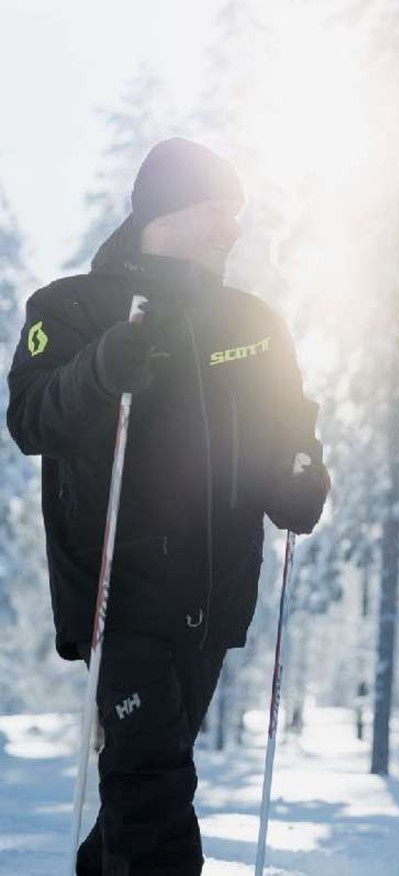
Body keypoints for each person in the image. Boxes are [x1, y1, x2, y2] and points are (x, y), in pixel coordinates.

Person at [6, 138, 331, 874]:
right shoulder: (70, 307)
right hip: (116, 596)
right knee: (154, 794)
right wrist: (99, 369)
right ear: (168, 210)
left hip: (215, 597)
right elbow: (29, 417)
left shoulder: (253, 324)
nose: (233, 229)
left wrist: (301, 477)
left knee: (138, 793)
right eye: (220, 210)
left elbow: (291, 430)